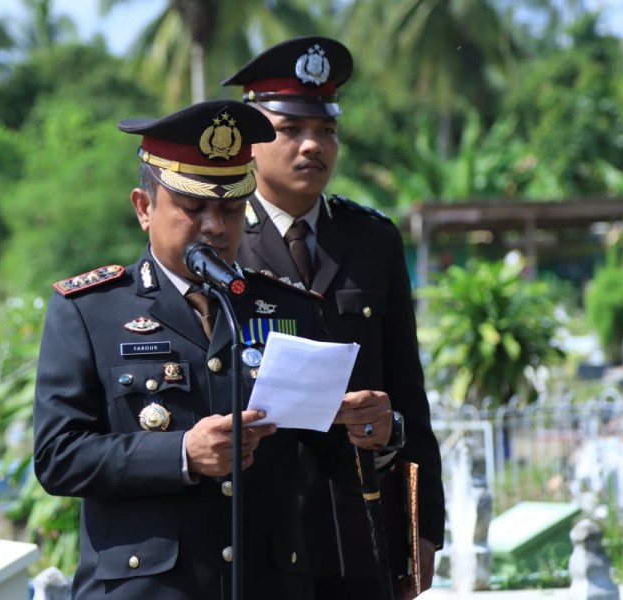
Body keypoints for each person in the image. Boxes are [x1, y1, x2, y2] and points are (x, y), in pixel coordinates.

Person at [33, 99, 397, 600]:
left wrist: (375, 429)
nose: (214, 227)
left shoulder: (288, 308)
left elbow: (332, 452)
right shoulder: (89, 311)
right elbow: (59, 456)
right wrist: (182, 453)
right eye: (193, 207)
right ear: (144, 208)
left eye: (230, 209)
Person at [223, 36, 445, 599]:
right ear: (250, 138)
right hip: (257, 533)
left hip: (361, 528)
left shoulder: (372, 239)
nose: (312, 146)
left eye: (325, 130)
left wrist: (423, 528)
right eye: (290, 129)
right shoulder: (218, 241)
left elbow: (407, 391)